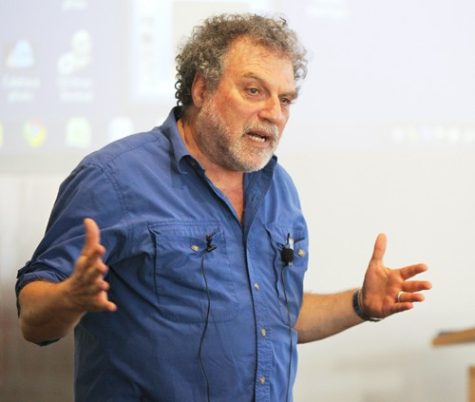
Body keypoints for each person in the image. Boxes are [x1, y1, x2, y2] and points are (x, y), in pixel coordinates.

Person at [16, 13, 431, 402]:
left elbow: (273, 315)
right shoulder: (113, 177)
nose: (274, 113)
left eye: (285, 99)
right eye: (254, 90)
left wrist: (361, 303)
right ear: (202, 89)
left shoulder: (278, 189)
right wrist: (71, 297)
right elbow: (33, 317)